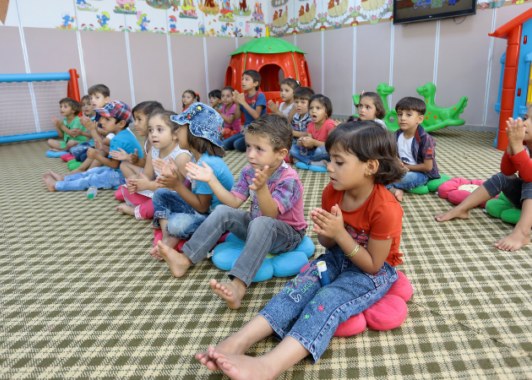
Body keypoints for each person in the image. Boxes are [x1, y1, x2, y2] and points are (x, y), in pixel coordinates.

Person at [195, 121, 405, 379]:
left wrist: (340, 234)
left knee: (326, 300)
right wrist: (329, 234)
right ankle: (240, 340)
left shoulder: (387, 208)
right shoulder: (332, 192)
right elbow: (329, 246)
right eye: (330, 159)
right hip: (335, 257)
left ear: (370, 166)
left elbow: (373, 265)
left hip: (371, 272)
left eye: (339, 162)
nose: (329, 167)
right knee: (297, 288)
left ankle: (269, 365)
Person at [157, 114, 307, 310]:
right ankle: (184, 259)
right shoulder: (249, 171)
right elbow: (233, 202)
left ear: (280, 154)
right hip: (257, 224)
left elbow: (270, 215)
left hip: (287, 235)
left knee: (262, 222)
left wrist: (261, 189)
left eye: (259, 149)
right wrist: (211, 180)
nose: (251, 154)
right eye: (249, 146)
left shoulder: (289, 179)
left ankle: (238, 286)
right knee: (222, 210)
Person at [436, 99, 532, 251]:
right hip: (531, 197)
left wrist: (517, 145)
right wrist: (512, 144)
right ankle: (462, 209)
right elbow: (507, 171)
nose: (525, 123)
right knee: (503, 178)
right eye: (525, 118)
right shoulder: (524, 143)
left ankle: (522, 232)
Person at [149, 102, 235, 259]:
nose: (176, 132)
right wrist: (177, 176)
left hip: (214, 218)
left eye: (180, 128)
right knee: (160, 193)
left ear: (194, 132)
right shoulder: (197, 157)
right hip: (201, 208)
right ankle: (167, 238)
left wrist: (176, 185)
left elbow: (202, 207)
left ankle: (169, 239)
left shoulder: (206, 164)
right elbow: (190, 188)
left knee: (177, 224)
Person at [42, 101, 143, 192]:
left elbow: (114, 164)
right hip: (119, 170)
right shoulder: (123, 134)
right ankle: (64, 178)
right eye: (102, 117)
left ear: (121, 123)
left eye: (107, 119)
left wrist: (97, 156)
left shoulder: (118, 139)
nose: (102, 122)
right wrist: (103, 148)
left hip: (122, 176)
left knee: (89, 180)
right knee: (94, 171)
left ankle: (57, 185)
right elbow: (117, 155)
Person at [116, 110, 193, 219]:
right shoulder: (154, 150)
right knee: (129, 188)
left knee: (158, 201)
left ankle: (137, 211)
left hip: (177, 197)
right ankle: (146, 205)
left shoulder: (181, 156)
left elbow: (179, 189)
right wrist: (137, 182)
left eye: (159, 130)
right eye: (151, 130)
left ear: (175, 134)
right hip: (156, 189)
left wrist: (148, 185)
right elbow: (147, 174)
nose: (153, 134)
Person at [386, 97, 440, 202]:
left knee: (408, 177)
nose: (403, 118)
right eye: (400, 114)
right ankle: (393, 189)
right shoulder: (397, 134)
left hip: (419, 173)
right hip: (400, 170)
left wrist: (408, 168)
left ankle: (384, 185)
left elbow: (428, 167)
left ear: (419, 119)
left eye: (408, 115)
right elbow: (391, 154)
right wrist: (397, 161)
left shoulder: (425, 139)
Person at [113, 101, 165, 192]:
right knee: (124, 164)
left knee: (122, 193)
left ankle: (140, 190)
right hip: (150, 174)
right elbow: (146, 164)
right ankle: (135, 187)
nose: (135, 124)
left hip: (160, 180)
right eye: (135, 120)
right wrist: (136, 160)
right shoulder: (146, 140)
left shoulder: (159, 142)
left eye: (139, 119)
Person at [70, 84, 113, 174]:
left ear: (106, 99)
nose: (93, 100)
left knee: (87, 154)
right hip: (100, 143)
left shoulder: (109, 114)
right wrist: (90, 128)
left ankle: (85, 171)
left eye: (97, 97)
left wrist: (93, 128)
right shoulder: (98, 113)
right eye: (91, 97)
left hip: (109, 147)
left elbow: (108, 133)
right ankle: (82, 169)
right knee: (79, 156)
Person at [289, 94, 336, 171]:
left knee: (320, 151)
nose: (313, 111)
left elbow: (331, 146)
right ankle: (312, 162)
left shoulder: (330, 125)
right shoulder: (310, 125)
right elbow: (310, 147)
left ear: (326, 112)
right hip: (312, 152)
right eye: (311, 108)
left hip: (324, 151)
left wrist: (313, 142)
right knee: (292, 148)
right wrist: (303, 142)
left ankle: (303, 160)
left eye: (318, 108)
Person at [225, 70, 267, 152]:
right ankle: (250, 143)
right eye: (242, 79)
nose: (243, 81)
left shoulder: (260, 95)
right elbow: (237, 116)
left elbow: (256, 116)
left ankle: (258, 143)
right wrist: (237, 103)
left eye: (247, 79)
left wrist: (243, 102)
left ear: (255, 83)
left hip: (258, 131)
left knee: (237, 144)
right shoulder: (243, 97)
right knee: (226, 144)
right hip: (246, 131)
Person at [68, 95, 99, 162]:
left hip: (94, 145)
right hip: (88, 144)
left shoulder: (95, 120)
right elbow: (88, 136)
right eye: (83, 105)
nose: (85, 107)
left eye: (88, 104)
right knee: (71, 149)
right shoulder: (88, 119)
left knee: (77, 154)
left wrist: (81, 133)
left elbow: (95, 134)